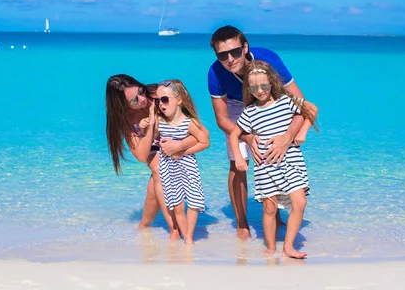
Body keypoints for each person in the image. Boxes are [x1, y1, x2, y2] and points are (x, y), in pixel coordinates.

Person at [207, 25, 307, 239]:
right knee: (237, 161)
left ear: (245, 48)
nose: (230, 59)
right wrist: (247, 137)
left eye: (234, 52)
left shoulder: (268, 59)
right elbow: (222, 119)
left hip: (267, 99)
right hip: (236, 104)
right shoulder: (215, 72)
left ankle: (276, 215)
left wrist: (288, 137)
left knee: (275, 154)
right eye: (222, 55)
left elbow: (301, 103)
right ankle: (242, 223)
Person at [229, 60, 318, 258]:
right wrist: (239, 158)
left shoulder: (286, 102)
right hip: (265, 166)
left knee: (300, 202)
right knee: (269, 207)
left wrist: (302, 132)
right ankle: (271, 247)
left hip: (291, 161)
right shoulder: (250, 112)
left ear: (272, 83)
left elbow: (311, 109)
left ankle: (288, 246)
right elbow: (234, 135)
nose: (259, 91)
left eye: (264, 86)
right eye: (253, 87)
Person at [105, 74, 203, 240]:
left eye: (141, 91)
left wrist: (179, 146)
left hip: (175, 139)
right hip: (149, 145)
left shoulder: (159, 94)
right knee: (158, 169)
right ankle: (174, 229)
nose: (142, 99)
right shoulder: (125, 119)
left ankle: (144, 226)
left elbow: (197, 131)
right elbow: (142, 156)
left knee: (153, 190)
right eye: (134, 100)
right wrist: (151, 124)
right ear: (122, 105)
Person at [141, 79, 210, 245]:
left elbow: (205, 142)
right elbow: (150, 136)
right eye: (158, 101)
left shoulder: (189, 123)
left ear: (179, 100)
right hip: (168, 169)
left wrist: (182, 151)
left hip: (188, 167)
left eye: (165, 99)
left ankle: (189, 237)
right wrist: (145, 124)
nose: (161, 104)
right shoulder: (160, 122)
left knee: (193, 203)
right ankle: (185, 237)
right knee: (177, 205)